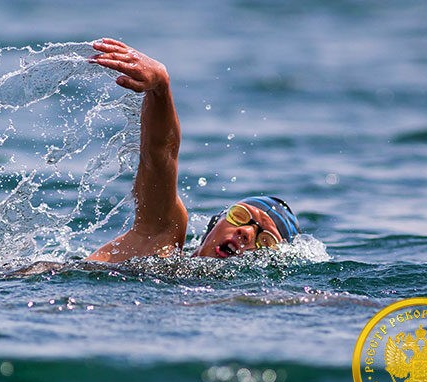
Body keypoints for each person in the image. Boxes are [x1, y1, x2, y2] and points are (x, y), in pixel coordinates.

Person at [87, 38, 300, 262]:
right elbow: (161, 156)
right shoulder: (161, 241)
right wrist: (160, 88)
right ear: (217, 221)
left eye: (265, 240)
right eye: (241, 216)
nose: (246, 233)